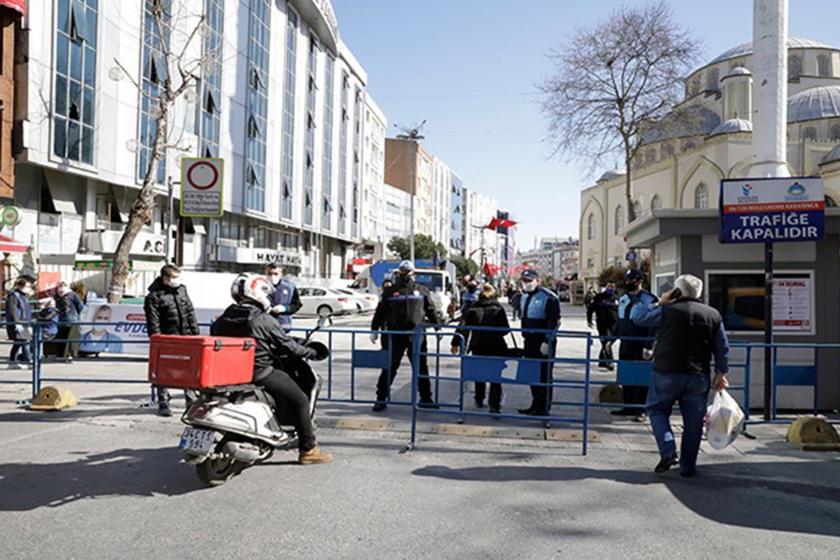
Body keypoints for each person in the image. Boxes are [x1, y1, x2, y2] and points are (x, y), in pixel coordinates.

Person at [211, 273, 332, 465]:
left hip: (230, 374)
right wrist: (311, 352)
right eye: (266, 294)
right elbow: (288, 346)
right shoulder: (262, 319)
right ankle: (308, 450)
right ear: (258, 293)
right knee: (300, 399)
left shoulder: (223, 318)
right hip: (260, 372)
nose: (267, 299)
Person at [631, 274, 729, 478]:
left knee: (657, 410)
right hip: (698, 375)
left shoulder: (667, 310)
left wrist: (660, 301)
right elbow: (722, 347)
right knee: (693, 422)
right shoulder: (712, 314)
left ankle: (668, 450)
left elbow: (637, 317)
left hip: (666, 371)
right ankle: (688, 466)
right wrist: (721, 373)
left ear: (677, 291)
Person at [370, 260, 441, 412]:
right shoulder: (390, 292)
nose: (406, 274)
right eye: (403, 271)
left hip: (416, 336)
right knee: (389, 366)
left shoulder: (421, 290)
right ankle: (381, 398)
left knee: (421, 367)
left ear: (413, 273)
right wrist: (374, 329)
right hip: (395, 336)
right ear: (398, 272)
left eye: (408, 271)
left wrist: (438, 328)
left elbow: (430, 309)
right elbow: (380, 312)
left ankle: (426, 398)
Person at [144, 264, 200, 417]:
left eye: (178, 277)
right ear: (165, 278)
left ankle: (191, 401)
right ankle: (163, 401)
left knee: (189, 370)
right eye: (174, 277)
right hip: (167, 339)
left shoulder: (182, 289)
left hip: (186, 336)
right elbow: (153, 322)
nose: (177, 280)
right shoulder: (154, 296)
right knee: (164, 371)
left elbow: (190, 312)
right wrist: (157, 340)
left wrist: (195, 334)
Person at [451, 284, 510, 413]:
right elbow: (506, 329)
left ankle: (479, 399)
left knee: (480, 373)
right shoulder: (498, 309)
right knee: (496, 376)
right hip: (496, 346)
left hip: (478, 345)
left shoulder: (473, 309)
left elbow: (463, 328)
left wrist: (455, 342)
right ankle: (494, 404)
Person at [614, 268, 658, 419]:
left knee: (641, 377)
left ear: (639, 281)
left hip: (641, 343)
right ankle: (627, 406)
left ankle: (640, 409)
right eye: (626, 280)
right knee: (626, 375)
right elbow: (619, 321)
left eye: (631, 280)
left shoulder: (649, 299)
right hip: (625, 342)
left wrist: (649, 345)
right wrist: (609, 341)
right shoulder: (623, 298)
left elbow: (653, 325)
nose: (627, 283)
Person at [516, 269, 561, 416]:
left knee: (544, 375)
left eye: (529, 281)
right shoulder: (524, 297)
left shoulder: (548, 297)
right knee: (532, 374)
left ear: (537, 280)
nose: (526, 284)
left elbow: (554, 321)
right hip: (529, 340)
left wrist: (548, 341)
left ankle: (544, 408)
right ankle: (535, 404)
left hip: (542, 341)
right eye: (524, 281)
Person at [587, 282, 619, 370]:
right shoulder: (599, 297)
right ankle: (609, 361)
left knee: (609, 341)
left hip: (614, 324)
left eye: (612, 286)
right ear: (606, 287)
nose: (611, 288)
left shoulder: (617, 298)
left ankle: (602, 361)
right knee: (606, 341)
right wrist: (589, 320)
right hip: (602, 324)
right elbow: (590, 309)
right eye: (609, 286)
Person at [5, 276, 35, 368]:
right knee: (25, 342)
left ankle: (12, 362)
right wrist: (16, 322)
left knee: (18, 343)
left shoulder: (24, 296)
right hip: (18, 323)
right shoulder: (13, 295)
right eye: (27, 287)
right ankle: (29, 361)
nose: (29, 289)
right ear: (21, 286)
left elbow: (26, 310)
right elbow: (12, 310)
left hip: (25, 322)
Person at [54, 281, 85, 363]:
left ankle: (69, 356)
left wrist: (78, 316)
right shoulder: (57, 295)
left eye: (63, 287)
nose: (61, 291)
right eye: (60, 287)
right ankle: (60, 355)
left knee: (71, 339)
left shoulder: (73, 295)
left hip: (72, 321)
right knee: (61, 338)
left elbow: (80, 306)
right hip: (61, 321)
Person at [265, 262, 302, 328]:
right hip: (265, 325)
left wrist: (285, 308)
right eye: (270, 274)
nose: (272, 276)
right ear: (266, 273)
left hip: (283, 326)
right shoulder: (260, 287)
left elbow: (297, 305)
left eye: (275, 274)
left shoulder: (290, 287)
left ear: (281, 274)